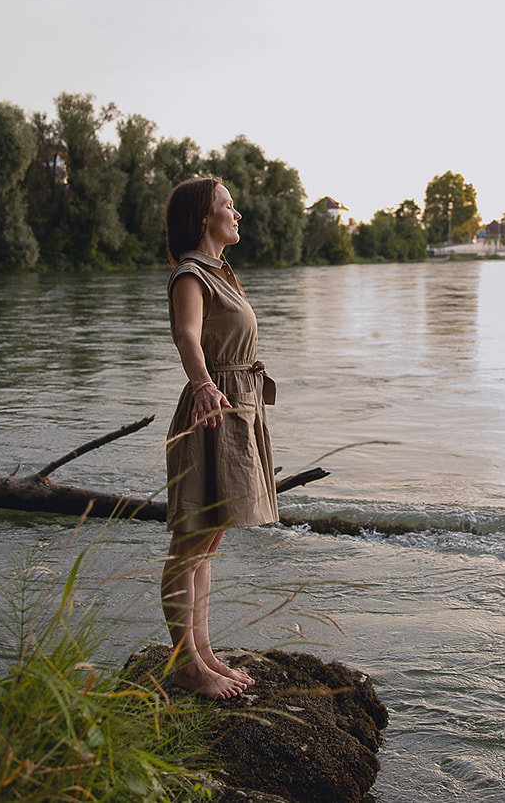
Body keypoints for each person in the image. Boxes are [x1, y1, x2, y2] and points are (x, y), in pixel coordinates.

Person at [159, 177, 279, 699]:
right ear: (204, 218)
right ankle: (185, 662)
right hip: (212, 410)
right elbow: (187, 335)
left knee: (209, 542)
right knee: (189, 544)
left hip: (238, 408)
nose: (237, 213)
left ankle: (202, 651)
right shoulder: (191, 274)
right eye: (228, 205)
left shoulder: (222, 273)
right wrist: (205, 385)